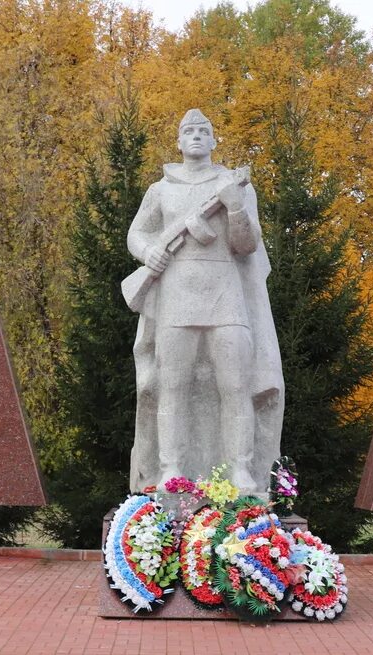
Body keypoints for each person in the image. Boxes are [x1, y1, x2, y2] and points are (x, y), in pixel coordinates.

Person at [124, 108, 283, 496]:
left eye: (204, 131)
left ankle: (241, 473)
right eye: (189, 131)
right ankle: (171, 471)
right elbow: (136, 234)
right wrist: (149, 255)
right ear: (178, 142)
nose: (196, 135)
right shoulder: (161, 189)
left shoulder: (235, 185)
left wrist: (235, 206)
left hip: (226, 296)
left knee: (235, 386)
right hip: (177, 298)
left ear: (214, 141)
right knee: (171, 386)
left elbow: (247, 246)